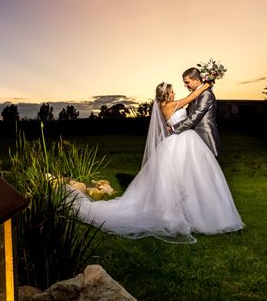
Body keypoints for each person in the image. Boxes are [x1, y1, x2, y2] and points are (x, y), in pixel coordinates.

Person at [70, 81, 244, 243]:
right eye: (172, 91)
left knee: (178, 176)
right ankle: (185, 211)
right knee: (181, 176)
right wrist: (206, 84)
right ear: (167, 95)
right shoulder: (170, 105)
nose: (175, 92)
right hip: (181, 141)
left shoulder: (163, 105)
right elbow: (191, 98)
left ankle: (186, 207)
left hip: (175, 140)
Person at [171, 67, 219, 156]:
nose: (185, 85)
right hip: (194, 135)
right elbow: (187, 113)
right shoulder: (195, 94)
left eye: (187, 82)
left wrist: (174, 128)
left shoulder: (206, 94)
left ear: (197, 80)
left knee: (206, 167)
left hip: (204, 135)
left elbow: (195, 116)